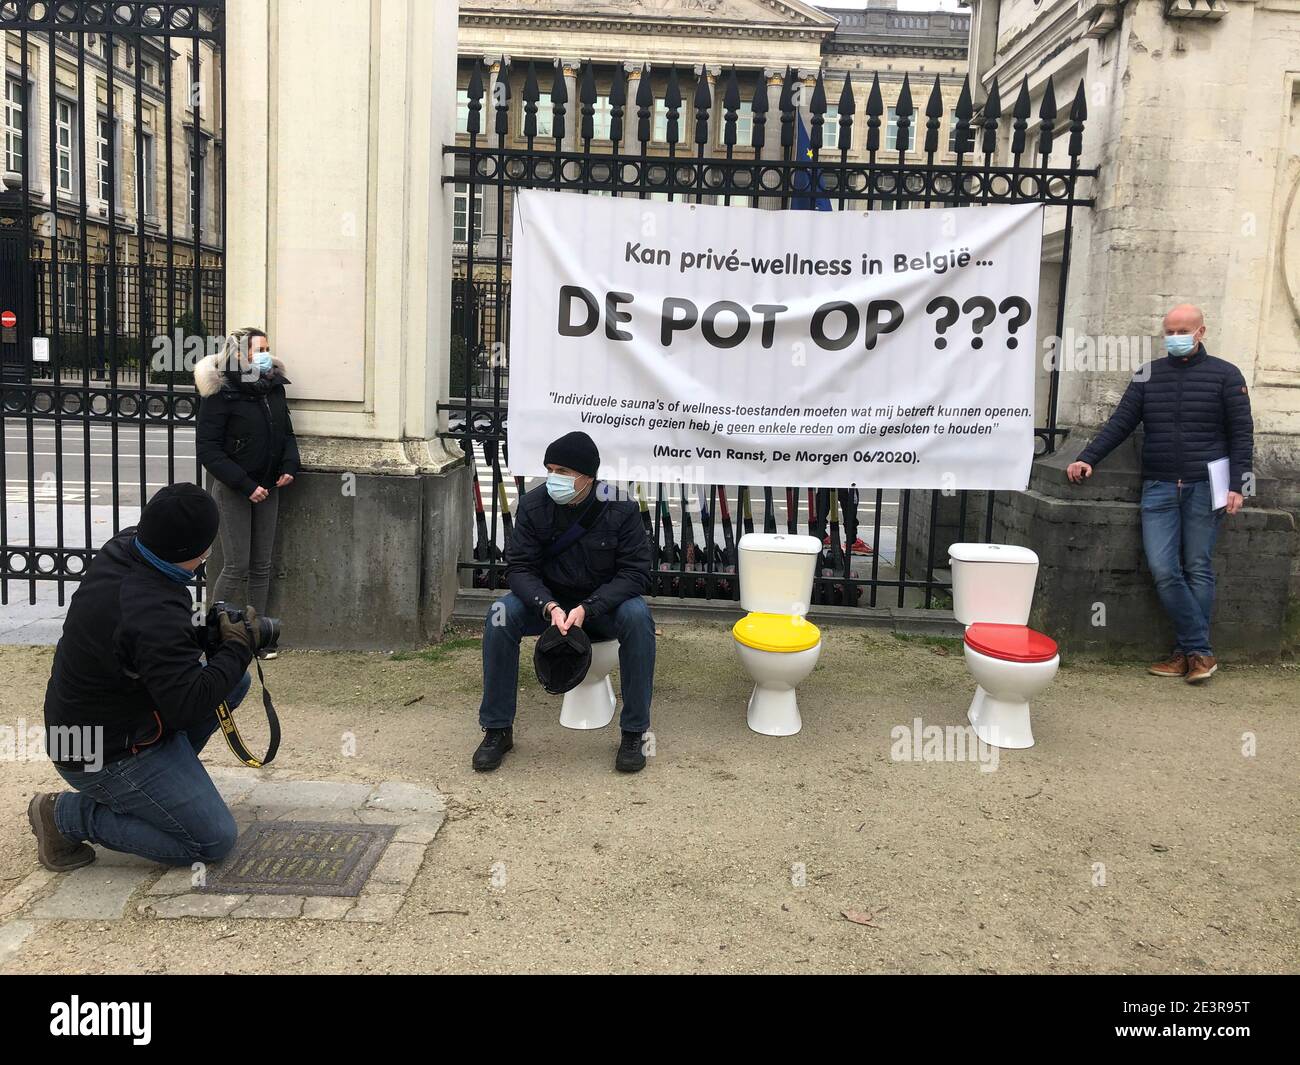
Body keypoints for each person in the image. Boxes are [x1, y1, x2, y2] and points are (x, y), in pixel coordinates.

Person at [30, 483, 268, 872]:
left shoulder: (129, 547)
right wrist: (239, 648)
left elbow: (141, 642)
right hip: (99, 754)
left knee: (232, 682)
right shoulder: (150, 610)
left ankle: (163, 786)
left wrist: (206, 633)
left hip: (101, 722)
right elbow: (187, 705)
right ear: (198, 551)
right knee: (213, 840)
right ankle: (65, 816)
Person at [1066, 304, 1253, 683]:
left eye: (1183, 330)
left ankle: (1188, 655)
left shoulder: (1226, 375)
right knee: (1165, 569)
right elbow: (1121, 422)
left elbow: (1242, 434)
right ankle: (1200, 652)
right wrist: (1088, 457)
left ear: (1201, 331)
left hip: (1205, 486)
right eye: (1169, 331)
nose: (1175, 337)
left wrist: (1239, 485)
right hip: (1159, 485)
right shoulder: (1148, 374)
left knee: (1197, 567)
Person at [475, 431, 655, 773]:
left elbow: (635, 573)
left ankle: (634, 731)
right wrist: (549, 605)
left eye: (563, 471)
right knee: (500, 614)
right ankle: (497, 729)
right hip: (550, 607)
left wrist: (590, 607)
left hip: (600, 608)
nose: (553, 477)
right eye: (550, 469)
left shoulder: (620, 508)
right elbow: (519, 568)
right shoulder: (532, 505)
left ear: (588, 477)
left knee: (638, 616)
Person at [195, 327, 299, 628]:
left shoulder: (273, 387)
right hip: (234, 490)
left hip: (270, 486)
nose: (267, 356)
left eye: (268, 349)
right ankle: (215, 633)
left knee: (261, 565)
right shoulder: (220, 391)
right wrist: (245, 484)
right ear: (240, 354)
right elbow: (209, 450)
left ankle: (256, 632)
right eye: (260, 350)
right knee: (236, 564)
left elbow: (285, 433)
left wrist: (289, 466)